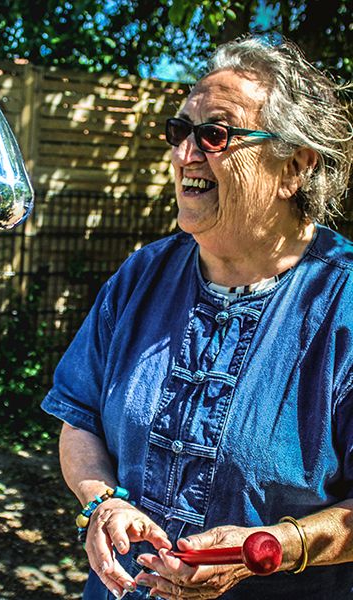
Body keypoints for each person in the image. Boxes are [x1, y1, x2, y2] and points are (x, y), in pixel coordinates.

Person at [42, 35, 353, 599]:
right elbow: (80, 419)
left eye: (215, 134)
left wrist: (271, 547)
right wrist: (102, 500)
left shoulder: (343, 303)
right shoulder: (142, 276)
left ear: (295, 168)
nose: (186, 154)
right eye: (179, 132)